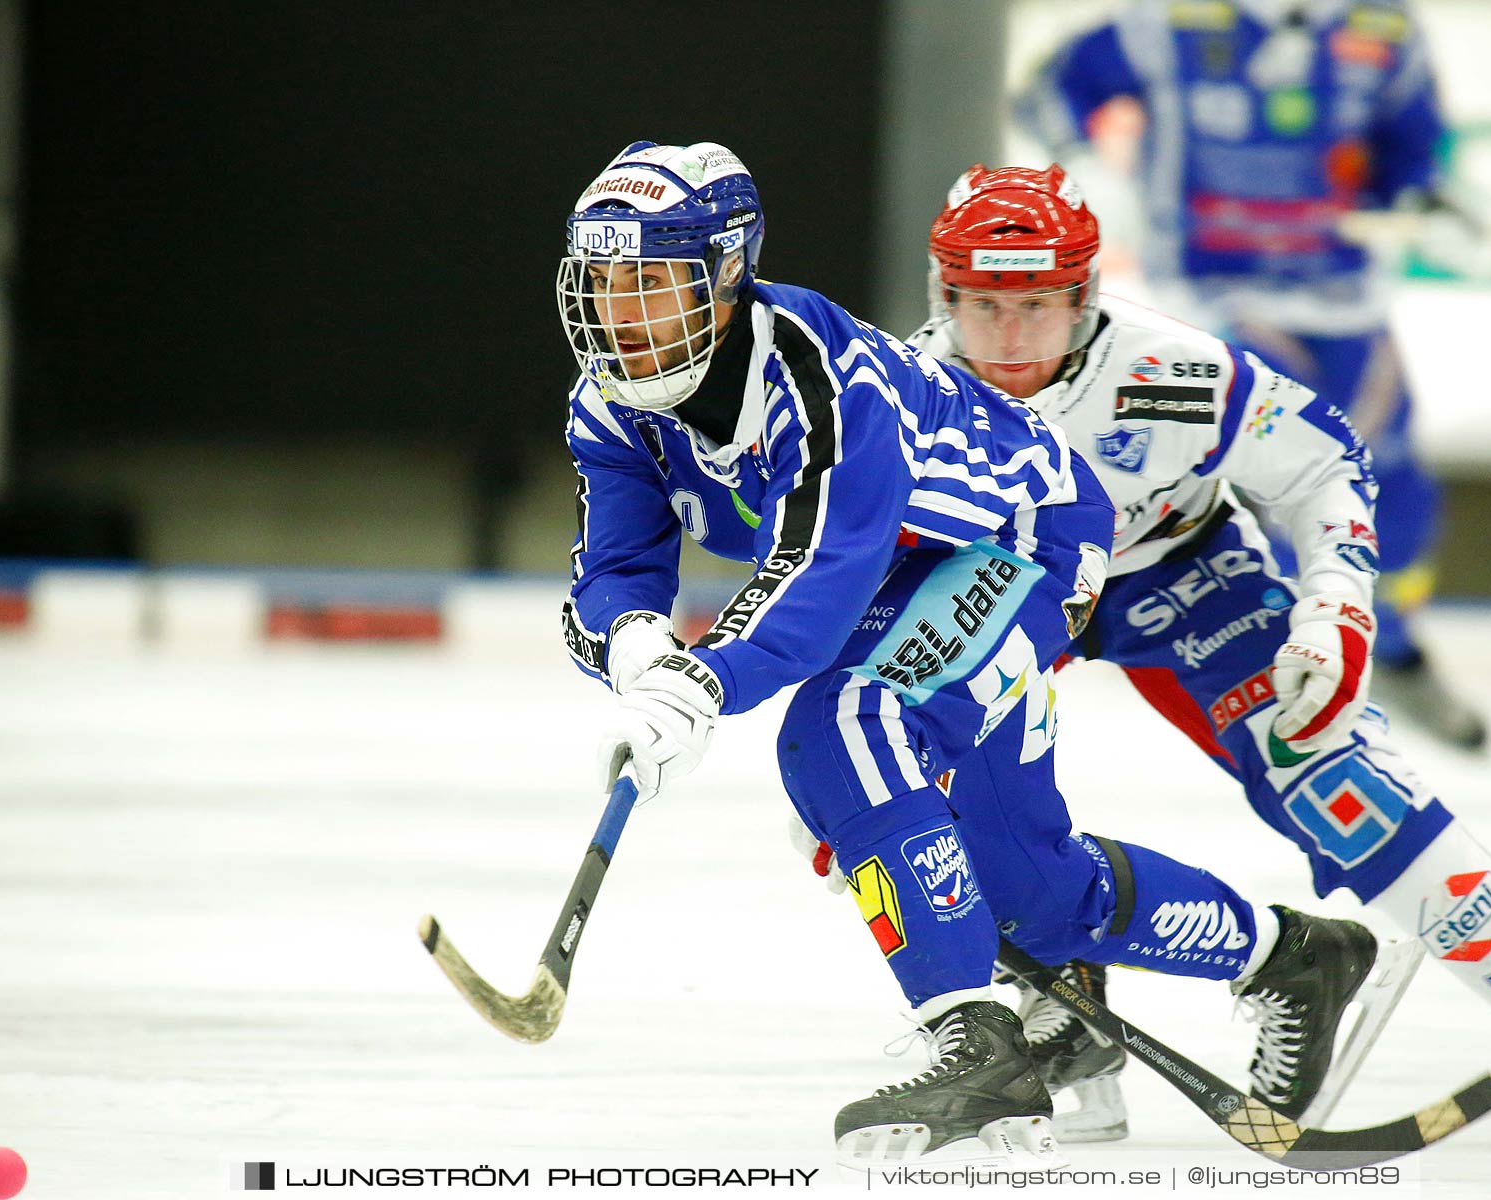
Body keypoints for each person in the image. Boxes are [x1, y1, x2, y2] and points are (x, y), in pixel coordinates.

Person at [557, 139, 1411, 1164]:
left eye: (652, 281)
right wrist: (640, 652)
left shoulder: (822, 375)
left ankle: (974, 1039)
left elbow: (823, 571)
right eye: (602, 283)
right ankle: (1291, 958)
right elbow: (613, 573)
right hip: (907, 570)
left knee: (846, 726)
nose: (620, 312)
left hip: (1030, 543)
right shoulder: (607, 403)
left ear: (729, 274)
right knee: (1023, 885)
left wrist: (711, 681)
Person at [901, 160, 1491, 1151]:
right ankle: (1067, 1003)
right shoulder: (897, 390)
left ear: (1086, 293)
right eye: (986, 305)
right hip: (1005, 589)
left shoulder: (1175, 371)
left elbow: (1326, 460)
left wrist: (1333, 606)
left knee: (1335, 781)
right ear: (944, 295)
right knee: (918, 797)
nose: (1014, 338)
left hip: (1176, 577)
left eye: (1040, 304)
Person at [1017, 0, 1487, 749]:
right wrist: (1080, 169)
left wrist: (1419, 186)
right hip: (1213, 296)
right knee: (1286, 470)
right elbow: (1050, 88)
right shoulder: (1168, 22)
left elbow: (1413, 141)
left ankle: (1388, 647)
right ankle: (1297, 682)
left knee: (1389, 484)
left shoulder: (1382, 29)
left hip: (1342, 299)